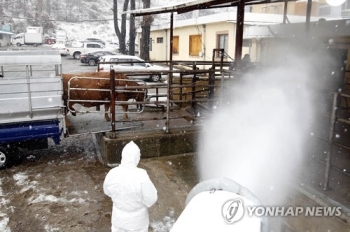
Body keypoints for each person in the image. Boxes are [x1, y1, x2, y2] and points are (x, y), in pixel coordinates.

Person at [103, 141, 158, 232]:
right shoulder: (141, 175)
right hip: (137, 222)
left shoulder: (113, 173)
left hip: (118, 219)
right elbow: (151, 198)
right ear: (137, 157)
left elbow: (107, 191)